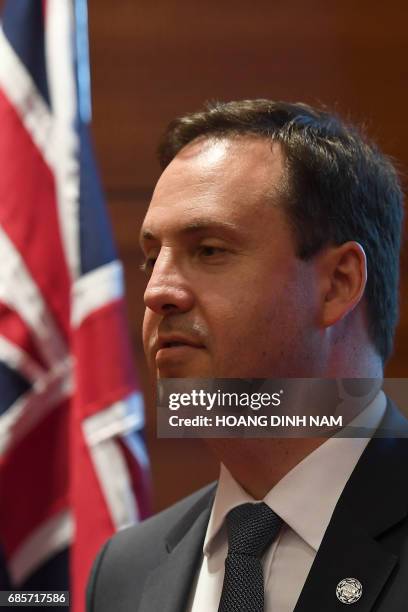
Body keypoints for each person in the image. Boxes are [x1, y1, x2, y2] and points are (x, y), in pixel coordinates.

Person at [86, 99, 408, 612]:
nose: (157, 292)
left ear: (338, 285)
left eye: (209, 250)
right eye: (152, 259)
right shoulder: (125, 572)